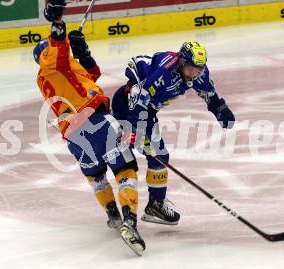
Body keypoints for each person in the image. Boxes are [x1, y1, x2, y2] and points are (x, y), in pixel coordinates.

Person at [34, 0, 145, 255]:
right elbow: (58, 46)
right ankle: (130, 221)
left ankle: (113, 215)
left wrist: (82, 51)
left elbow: (89, 76)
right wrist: (57, 22)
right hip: (95, 121)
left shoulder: (55, 75)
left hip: (74, 135)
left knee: (95, 175)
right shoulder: (51, 61)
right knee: (125, 168)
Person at [111, 41, 235, 226]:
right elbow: (138, 98)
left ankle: (156, 204)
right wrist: (136, 130)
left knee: (159, 156)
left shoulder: (199, 73)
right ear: (181, 62)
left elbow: (208, 93)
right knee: (120, 154)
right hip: (128, 107)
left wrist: (219, 108)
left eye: (198, 69)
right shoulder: (165, 73)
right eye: (191, 68)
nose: (194, 73)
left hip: (149, 110)